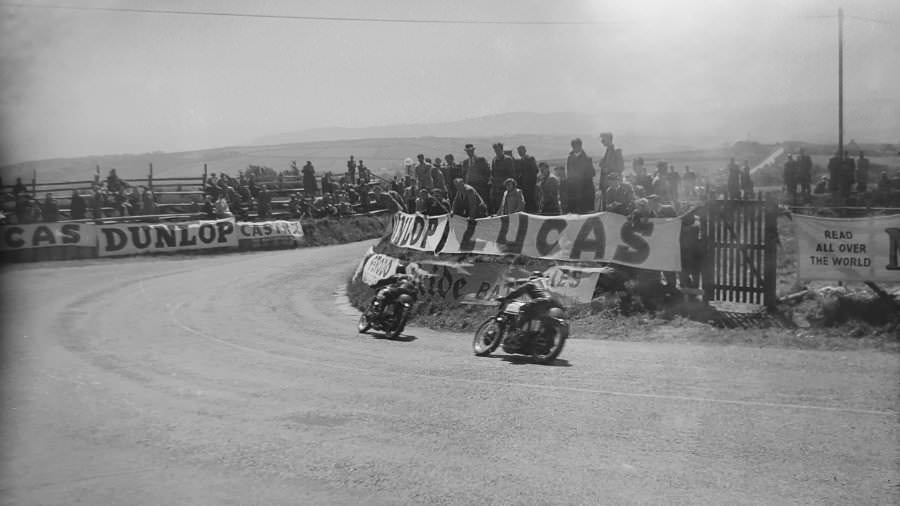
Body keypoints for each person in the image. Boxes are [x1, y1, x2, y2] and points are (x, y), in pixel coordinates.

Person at [496, 271, 558, 353]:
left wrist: (506, 298)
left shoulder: (532, 282)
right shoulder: (548, 284)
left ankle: (516, 335)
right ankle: (541, 345)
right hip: (556, 304)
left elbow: (518, 292)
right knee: (546, 322)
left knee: (523, 309)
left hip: (544, 301)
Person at [565, 138, 595, 213]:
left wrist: (581, 177)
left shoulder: (587, 159)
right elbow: (569, 174)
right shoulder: (569, 158)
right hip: (573, 191)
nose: (575, 147)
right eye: (573, 146)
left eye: (577, 145)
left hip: (584, 191)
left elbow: (592, 173)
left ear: (580, 146)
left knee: (585, 212)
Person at [598, 132, 624, 209]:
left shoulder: (616, 151)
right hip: (606, 185)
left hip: (613, 185)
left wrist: (608, 169)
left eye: (603, 140)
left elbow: (621, 167)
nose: (602, 142)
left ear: (609, 139)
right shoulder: (607, 151)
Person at [489, 142, 515, 215]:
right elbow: (493, 174)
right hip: (496, 189)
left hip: (506, 187)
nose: (496, 151)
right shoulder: (494, 160)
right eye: (495, 150)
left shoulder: (508, 160)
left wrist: (507, 185)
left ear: (501, 149)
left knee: (507, 207)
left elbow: (511, 175)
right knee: (497, 206)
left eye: (498, 149)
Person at [514, 145, 539, 213]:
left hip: (530, 184)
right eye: (519, 151)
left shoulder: (530, 159)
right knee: (527, 202)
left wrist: (532, 182)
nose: (520, 153)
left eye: (521, 151)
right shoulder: (521, 160)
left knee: (532, 201)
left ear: (525, 151)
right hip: (524, 185)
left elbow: (535, 170)